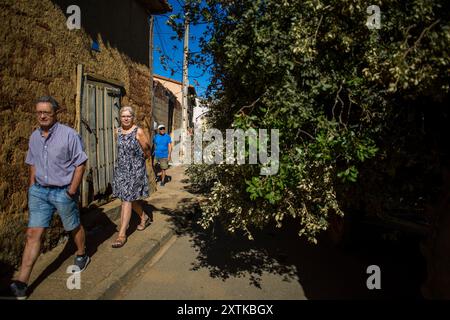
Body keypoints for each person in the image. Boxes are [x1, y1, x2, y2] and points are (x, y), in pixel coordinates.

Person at [10, 96, 89, 299]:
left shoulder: (69, 135)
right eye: (39, 112)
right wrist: (31, 188)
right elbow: (32, 163)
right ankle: (22, 282)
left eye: (47, 112)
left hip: (63, 191)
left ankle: (81, 253)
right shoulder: (34, 137)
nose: (43, 115)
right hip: (39, 191)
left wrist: (71, 191)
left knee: (73, 226)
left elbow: (80, 164)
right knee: (32, 235)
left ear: (56, 114)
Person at [111, 106, 152, 248]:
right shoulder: (116, 132)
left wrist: (139, 162)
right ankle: (144, 217)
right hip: (122, 170)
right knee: (128, 198)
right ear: (120, 118)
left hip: (135, 170)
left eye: (128, 116)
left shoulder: (138, 131)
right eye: (123, 116)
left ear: (132, 117)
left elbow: (147, 150)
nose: (126, 118)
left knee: (127, 200)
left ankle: (122, 234)